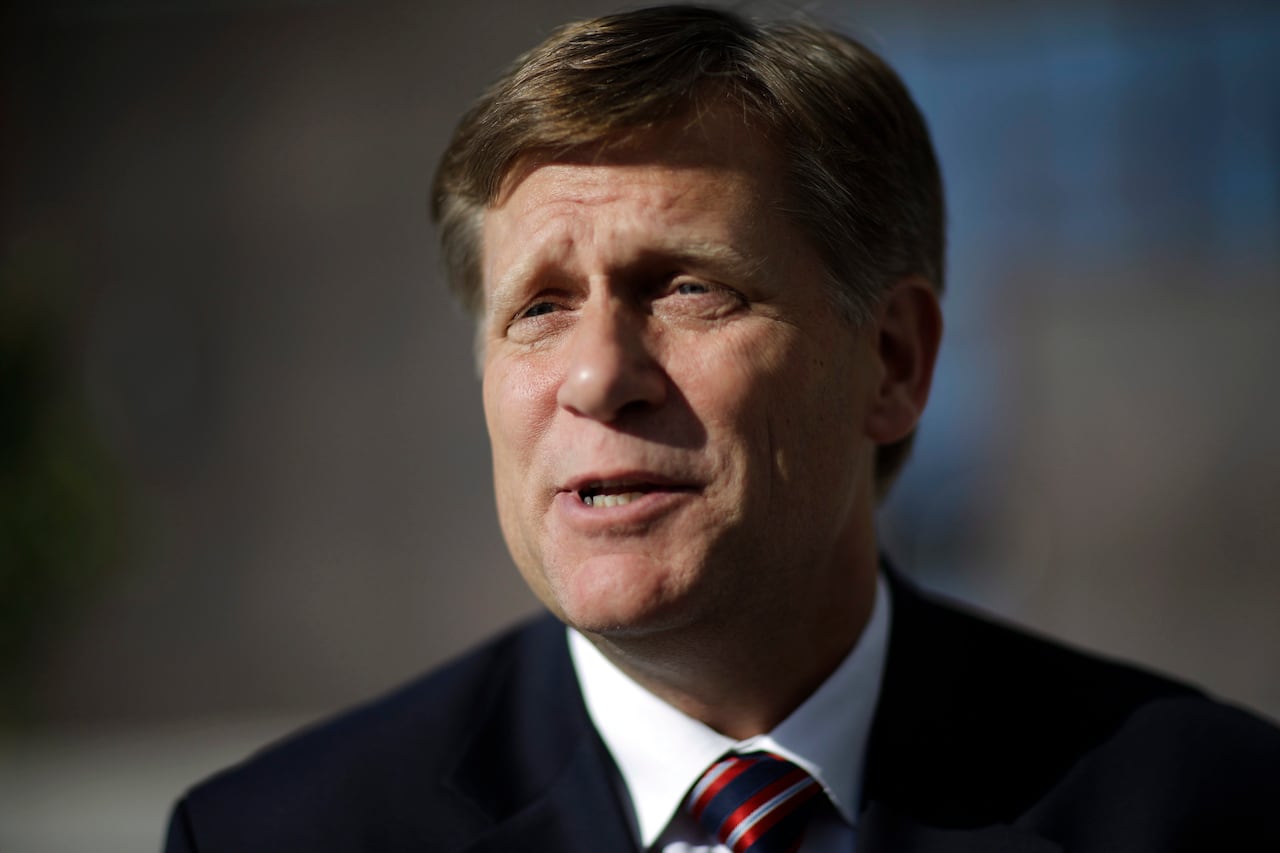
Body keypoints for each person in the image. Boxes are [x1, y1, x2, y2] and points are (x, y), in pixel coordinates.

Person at [163, 6, 1280, 851]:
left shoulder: (1207, 807)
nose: (598, 375)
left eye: (687, 287)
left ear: (889, 361)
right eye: (537, 309)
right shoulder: (275, 834)